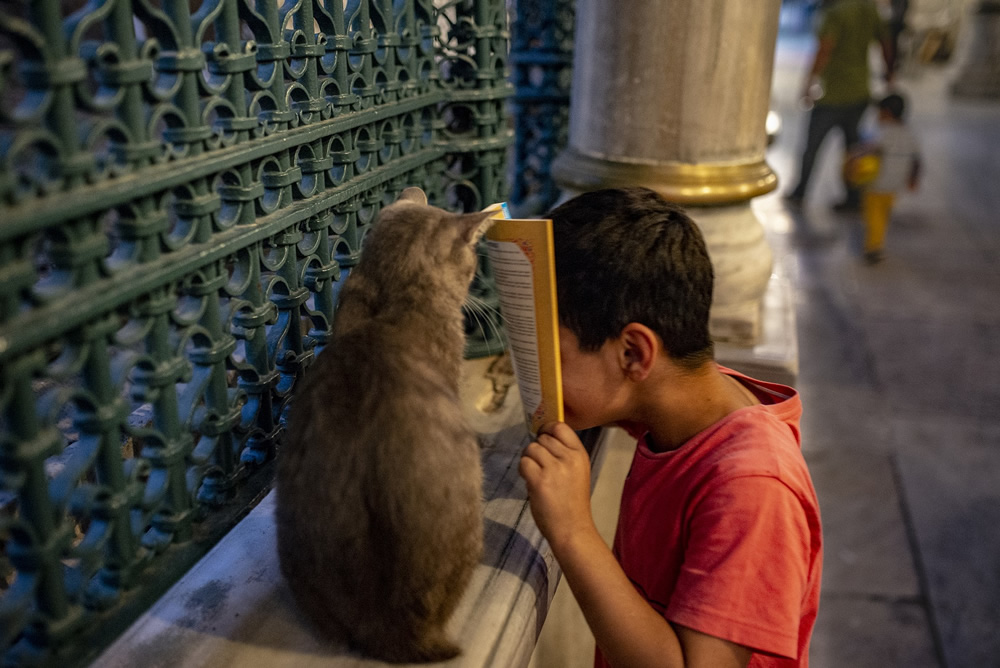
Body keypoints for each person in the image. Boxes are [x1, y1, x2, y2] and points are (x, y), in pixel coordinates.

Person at [519, 187, 823, 667]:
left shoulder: (754, 490)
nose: (536, 373)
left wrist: (573, 530)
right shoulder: (682, 409)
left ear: (634, 353)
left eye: (551, 356)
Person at [785, 0, 892, 210]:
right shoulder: (870, 10)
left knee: (812, 146)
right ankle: (853, 196)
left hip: (832, 94)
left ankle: (800, 191)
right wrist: (890, 72)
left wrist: (810, 82)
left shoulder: (835, 13)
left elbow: (824, 49)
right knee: (852, 148)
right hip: (860, 91)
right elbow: (886, 42)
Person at [859, 93, 921, 263]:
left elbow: (870, 149)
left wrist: (855, 157)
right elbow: (917, 159)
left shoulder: (883, 132)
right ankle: (878, 241)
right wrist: (913, 179)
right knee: (885, 213)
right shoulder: (909, 133)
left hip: (877, 182)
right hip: (896, 183)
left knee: (873, 215)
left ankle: (873, 247)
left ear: (886, 112)